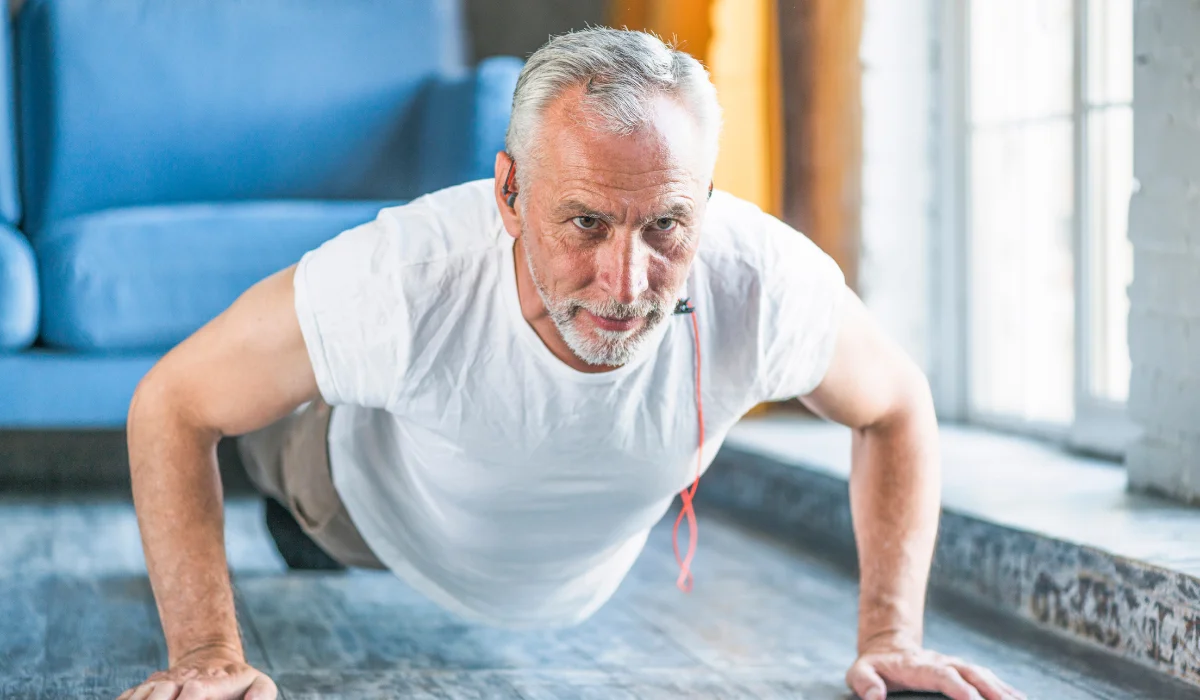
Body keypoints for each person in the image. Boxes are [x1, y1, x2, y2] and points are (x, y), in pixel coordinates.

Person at [120, 27, 1023, 700]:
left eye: (666, 225)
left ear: (704, 204)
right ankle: (297, 515)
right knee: (270, 431)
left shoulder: (763, 278)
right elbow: (173, 402)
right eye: (586, 221)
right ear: (510, 194)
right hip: (358, 504)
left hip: (562, 578)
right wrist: (206, 654)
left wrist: (890, 634)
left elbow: (896, 404)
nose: (626, 283)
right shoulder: (401, 278)